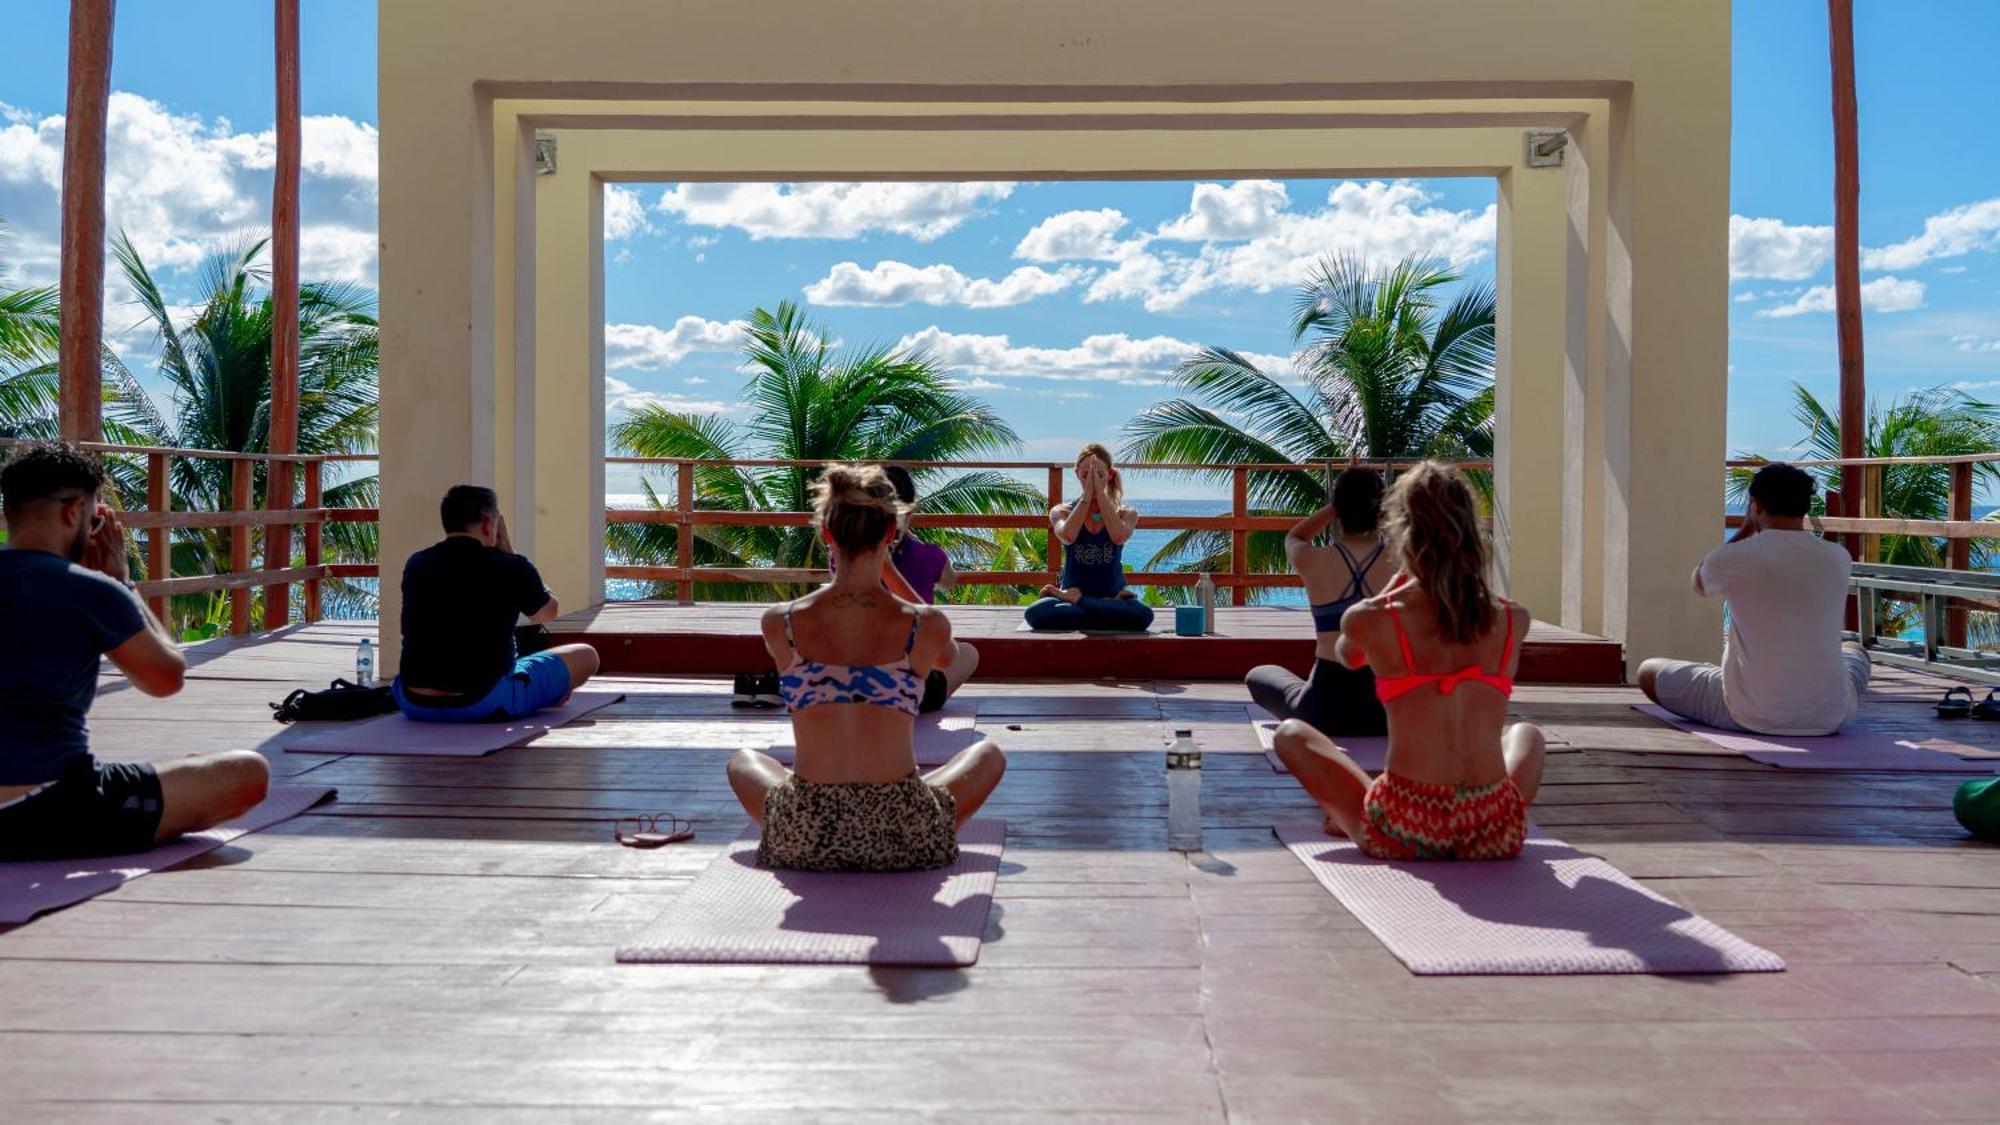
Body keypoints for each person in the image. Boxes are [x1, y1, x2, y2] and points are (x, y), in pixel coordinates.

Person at [728, 464, 1006, 871]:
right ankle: (906, 792)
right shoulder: (924, 624)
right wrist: (890, 573)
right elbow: (949, 656)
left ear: (826, 534)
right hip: (905, 834)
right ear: (890, 534)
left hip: (805, 835)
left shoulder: (779, 623)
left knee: (744, 760)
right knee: (990, 754)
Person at [0, 441, 269, 860]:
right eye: (93, 515)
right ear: (74, 513)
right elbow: (165, 679)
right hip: (50, 806)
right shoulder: (89, 589)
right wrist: (122, 584)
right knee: (247, 772)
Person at [1271, 461, 1546, 861]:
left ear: (1401, 532)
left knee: (1290, 734)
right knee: (1527, 734)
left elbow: (1348, 657)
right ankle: (1479, 807)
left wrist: (1389, 593)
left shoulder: (1373, 618)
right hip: (1495, 829)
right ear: (1471, 531)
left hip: (1406, 828)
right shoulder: (1513, 619)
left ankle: (1358, 810)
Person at [1637, 461, 1870, 735]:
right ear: (1805, 507)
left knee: (1648, 671)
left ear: (1756, 505)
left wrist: (1745, 530)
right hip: (1830, 715)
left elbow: (1700, 583)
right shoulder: (1838, 558)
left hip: (1748, 712)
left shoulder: (1737, 555)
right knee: (1855, 650)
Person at [394, 485, 600, 722]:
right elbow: (547, 613)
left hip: (414, 702)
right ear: (487, 524)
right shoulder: (509, 566)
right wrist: (512, 553)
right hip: (484, 700)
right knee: (587, 655)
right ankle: (539, 692)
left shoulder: (417, 563)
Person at [1245, 457, 1397, 736]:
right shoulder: (1401, 561)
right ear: (1381, 509)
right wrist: (1381, 510)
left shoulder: (1314, 559)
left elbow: (1295, 536)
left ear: (1338, 510)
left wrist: (1337, 506)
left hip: (1322, 709)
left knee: (1260, 673)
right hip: (1384, 712)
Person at [1024, 443, 1155, 633]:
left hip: (1088, 598)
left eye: (1099, 475)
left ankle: (1086, 606)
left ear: (1109, 475)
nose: (1091, 481)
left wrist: (1100, 495)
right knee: (1036, 613)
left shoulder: (1125, 513)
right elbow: (1067, 536)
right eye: (1086, 476)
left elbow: (1119, 536)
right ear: (1077, 474)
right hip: (1079, 597)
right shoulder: (1061, 511)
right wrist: (1087, 497)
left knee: (1143, 615)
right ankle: (1103, 611)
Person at [881, 465, 979, 711]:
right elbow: (949, 581)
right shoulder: (929, 556)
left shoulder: (843, 558)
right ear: (910, 510)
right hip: (912, 693)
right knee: (966, 652)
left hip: (850, 688)